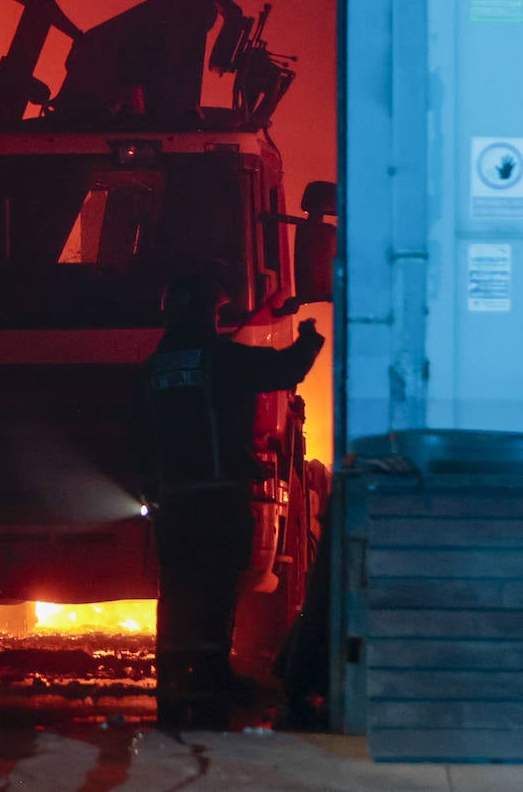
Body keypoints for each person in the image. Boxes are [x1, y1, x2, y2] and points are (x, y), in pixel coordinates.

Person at [134, 272, 324, 728]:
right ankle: (213, 675)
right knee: (216, 590)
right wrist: (309, 340)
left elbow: (136, 438)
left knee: (177, 591)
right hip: (219, 495)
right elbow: (284, 371)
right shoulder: (220, 358)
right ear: (205, 313)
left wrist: (150, 488)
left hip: (174, 500)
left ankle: (173, 678)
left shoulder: (152, 369)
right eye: (216, 311)